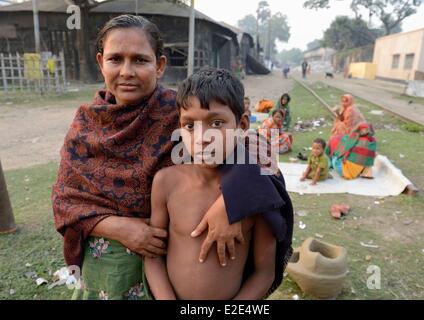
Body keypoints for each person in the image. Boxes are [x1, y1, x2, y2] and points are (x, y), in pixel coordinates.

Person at [52, 15, 292, 300]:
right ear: (100, 62)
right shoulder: (85, 126)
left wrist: (231, 203)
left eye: (140, 60)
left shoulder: (182, 111)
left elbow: (262, 154)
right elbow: (66, 201)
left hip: (174, 274)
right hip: (106, 271)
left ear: (160, 65)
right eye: (116, 59)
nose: (127, 71)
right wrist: (119, 227)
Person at [145, 68, 291, 300]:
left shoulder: (257, 194)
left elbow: (265, 273)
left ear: (242, 125)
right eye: (189, 125)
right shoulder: (166, 183)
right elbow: (153, 256)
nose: (202, 137)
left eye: (216, 123)